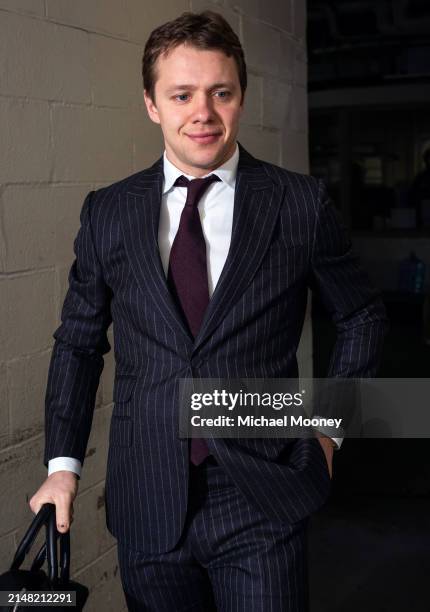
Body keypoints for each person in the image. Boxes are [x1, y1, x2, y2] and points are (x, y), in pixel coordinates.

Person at [29, 11, 388, 611]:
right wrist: (62, 468)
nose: (203, 112)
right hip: (147, 494)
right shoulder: (109, 213)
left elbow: (363, 316)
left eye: (221, 92)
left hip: (263, 491)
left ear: (241, 97)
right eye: (182, 94)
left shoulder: (298, 204)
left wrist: (328, 431)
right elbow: (78, 344)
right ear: (151, 104)